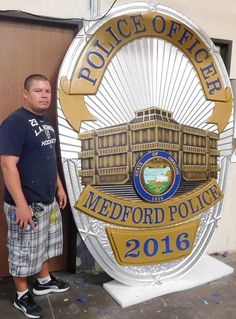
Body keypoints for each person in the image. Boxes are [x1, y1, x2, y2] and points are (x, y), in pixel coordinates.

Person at [0, 74, 70, 318]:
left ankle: (43, 281)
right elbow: (8, 166)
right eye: (39, 91)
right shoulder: (15, 123)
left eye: (47, 91)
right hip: (26, 204)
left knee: (45, 245)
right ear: (26, 94)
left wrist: (59, 187)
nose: (44, 95)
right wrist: (20, 205)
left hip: (47, 201)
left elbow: (49, 159)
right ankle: (21, 296)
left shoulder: (47, 122)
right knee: (23, 251)